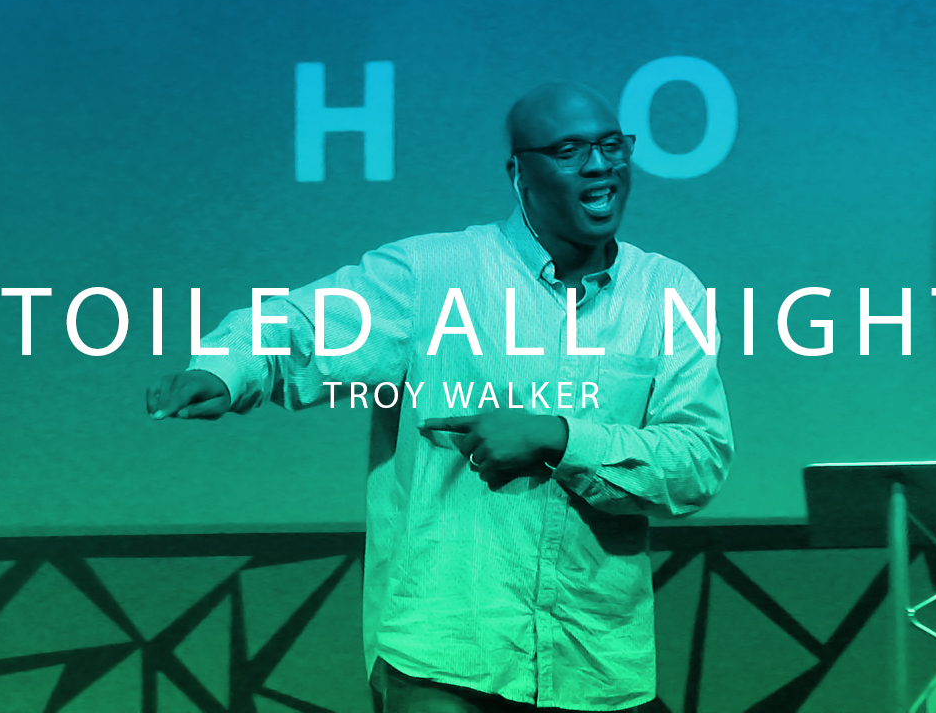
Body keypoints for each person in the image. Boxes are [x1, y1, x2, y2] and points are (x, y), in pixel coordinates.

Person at [146, 81, 733, 713]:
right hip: (447, 653)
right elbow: (295, 327)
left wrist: (558, 437)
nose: (599, 165)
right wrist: (225, 371)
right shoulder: (432, 274)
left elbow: (698, 461)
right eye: (568, 150)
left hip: (595, 662)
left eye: (612, 145)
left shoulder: (669, 293)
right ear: (519, 172)